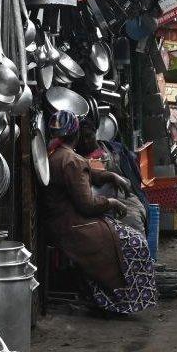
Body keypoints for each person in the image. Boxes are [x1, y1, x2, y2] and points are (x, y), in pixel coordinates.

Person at [41, 110, 157, 315]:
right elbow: (87, 204)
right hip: (72, 224)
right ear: (75, 134)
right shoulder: (70, 160)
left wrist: (109, 175)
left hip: (61, 221)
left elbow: (85, 172)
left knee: (121, 234)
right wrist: (112, 202)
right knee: (134, 242)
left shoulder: (58, 155)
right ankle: (118, 300)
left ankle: (108, 299)